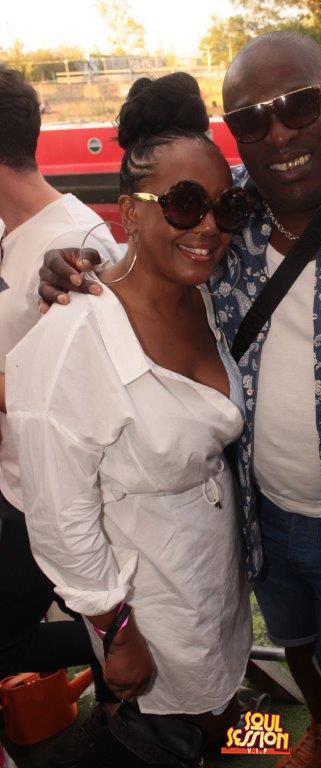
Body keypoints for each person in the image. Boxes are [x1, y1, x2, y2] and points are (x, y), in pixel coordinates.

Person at [38, 33, 321, 768]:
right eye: (252, 119)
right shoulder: (226, 217)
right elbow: (150, 254)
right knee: (299, 650)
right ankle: (316, 733)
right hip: (256, 522)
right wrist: (69, 265)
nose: (278, 133)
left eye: (299, 105)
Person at [7, 72, 254, 767]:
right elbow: (59, 519)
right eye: (183, 204)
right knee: (162, 730)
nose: (208, 226)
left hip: (211, 573)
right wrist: (116, 632)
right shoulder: (74, 337)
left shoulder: (204, 296)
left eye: (225, 206)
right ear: (129, 213)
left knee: (214, 715)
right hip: (147, 599)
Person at [0, 64, 121, 748]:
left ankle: (140, 644)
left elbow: (80, 396)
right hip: (17, 485)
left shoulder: (75, 245)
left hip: (58, 496)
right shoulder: (16, 230)